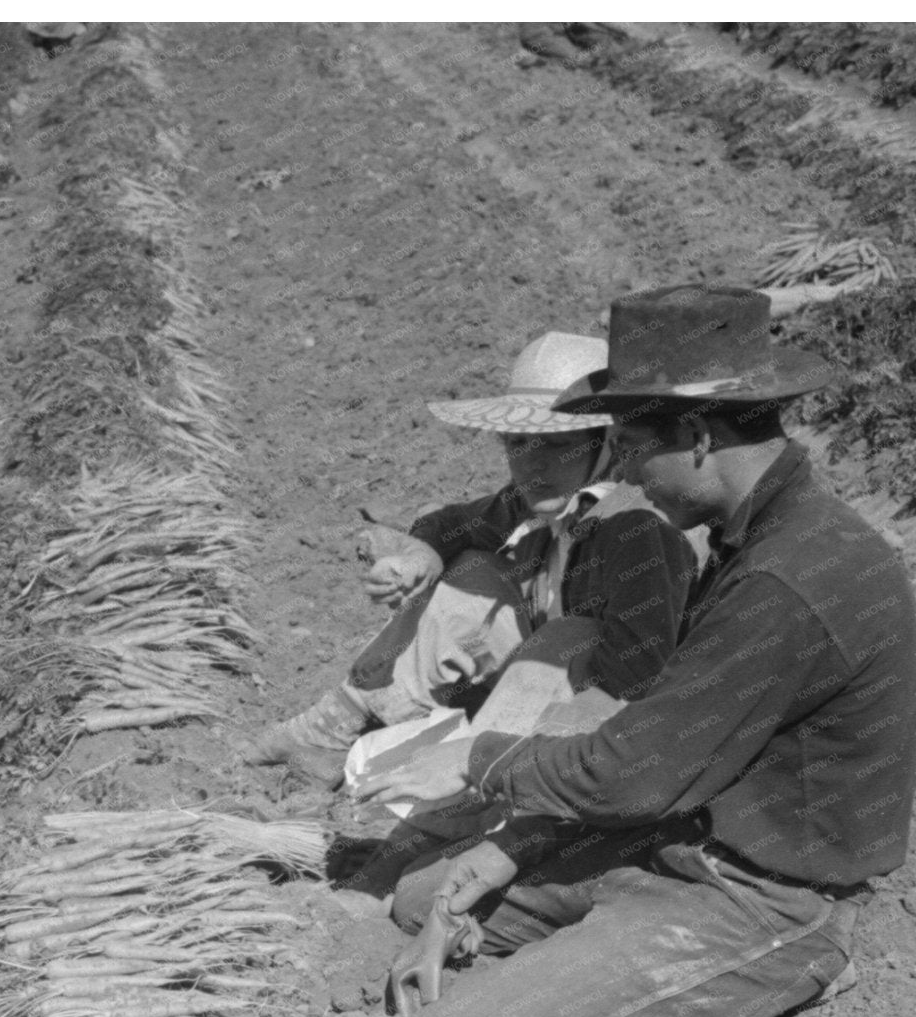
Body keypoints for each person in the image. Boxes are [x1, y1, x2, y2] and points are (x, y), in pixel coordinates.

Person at [361, 285, 916, 1017]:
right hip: (674, 837)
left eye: (628, 446)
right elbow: (657, 743)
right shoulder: (753, 539)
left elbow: (633, 770)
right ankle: (597, 968)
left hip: (757, 900)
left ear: (697, 436)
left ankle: (750, 1008)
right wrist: (498, 852)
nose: (621, 470)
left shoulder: (791, 577)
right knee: (425, 901)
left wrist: (478, 762)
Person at [242, 331, 698, 790]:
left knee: (566, 638)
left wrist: (513, 757)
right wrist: (421, 556)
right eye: (517, 444)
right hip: (544, 684)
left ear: (608, 443)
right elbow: (454, 524)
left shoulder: (638, 527)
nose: (531, 466)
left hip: (612, 723)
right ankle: (330, 729)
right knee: (473, 574)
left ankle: (480, 797)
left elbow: (640, 683)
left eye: (557, 445)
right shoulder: (540, 499)